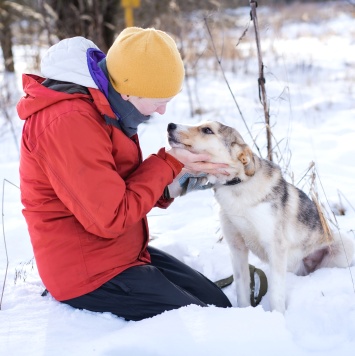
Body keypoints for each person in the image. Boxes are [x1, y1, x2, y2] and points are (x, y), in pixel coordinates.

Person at [17, 27, 265, 321]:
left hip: (121, 252)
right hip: (86, 274)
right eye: (158, 99)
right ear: (129, 89)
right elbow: (109, 216)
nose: (162, 111)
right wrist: (169, 163)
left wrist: (182, 176)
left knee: (216, 304)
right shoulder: (68, 122)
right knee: (206, 320)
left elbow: (119, 186)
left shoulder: (111, 105)